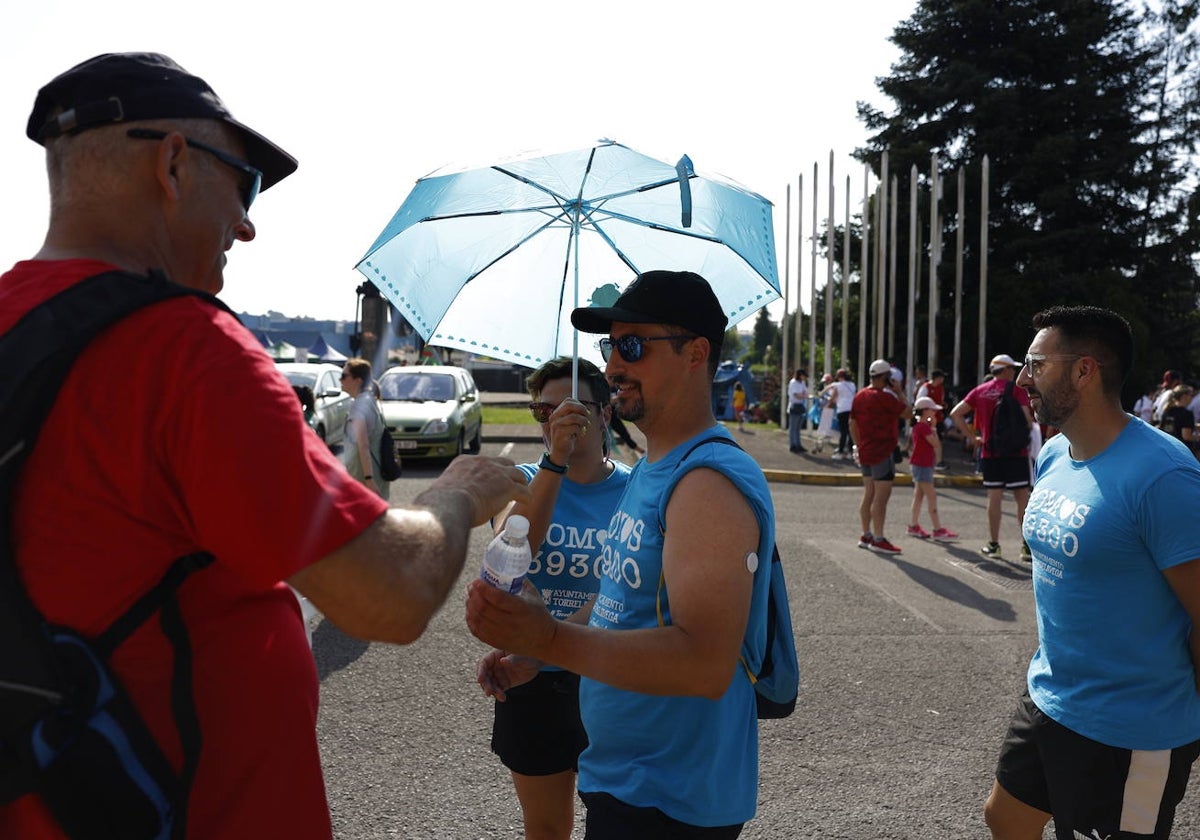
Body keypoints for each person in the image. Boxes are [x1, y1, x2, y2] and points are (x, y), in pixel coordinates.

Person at [0, 52, 530, 839]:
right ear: (173, 163)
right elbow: (388, 592)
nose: (246, 227)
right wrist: (460, 492)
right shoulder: (182, 349)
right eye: (243, 185)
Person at [467, 270, 776, 839]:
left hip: (670, 797)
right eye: (610, 347)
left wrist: (548, 639)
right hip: (625, 779)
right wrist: (537, 657)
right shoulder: (656, 469)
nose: (611, 367)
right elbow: (616, 606)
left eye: (633, 346)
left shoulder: (707, 480)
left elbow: (706, 664)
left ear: (696, 354)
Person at [984, 305, 1200, 840]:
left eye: (1036, 364)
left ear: (1085, 370)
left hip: (1133, 725)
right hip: (1052, 695)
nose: (1022, 380)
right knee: (1006, 818)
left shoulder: (1164, 476)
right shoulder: (1056, 453)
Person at [477, 357, 632, 840]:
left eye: (574, 407)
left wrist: (545, 642)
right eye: (545, 411)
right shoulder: (523, 478)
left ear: (605, 414)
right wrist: (554, 465)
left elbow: (628, 589)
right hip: (535, 684)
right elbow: (510, 554)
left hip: (611, 675)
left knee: (619, 825)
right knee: (546, 829)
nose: (558, 420)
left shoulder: (638, 489)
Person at [949, 354, 1035, 561]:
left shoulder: (981, 390)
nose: (1014, 372)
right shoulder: (1016, 390)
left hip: (990, 451)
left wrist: (972, 438)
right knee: (1021, 497)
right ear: (1004, 370)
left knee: (994, 496)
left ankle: (994, 544)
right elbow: (1028, 421)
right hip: (1016, 452)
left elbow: (955, 413)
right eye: (1012, 369)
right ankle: (1026, 547)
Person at [849, 359, 912, 554]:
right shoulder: (886, 398)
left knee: (868, 493)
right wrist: (900, 391)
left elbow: (852, 423)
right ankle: (878, 537)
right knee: (881, 497)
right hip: (882, 451)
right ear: (887, 378)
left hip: (865, 450)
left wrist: (858, 445)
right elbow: (909, 413)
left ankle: (866, 534)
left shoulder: (860, 396)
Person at [906, 396, 958, 541]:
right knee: (931, 496)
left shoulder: (918, 426)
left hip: (920, 464)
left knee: (919, 497)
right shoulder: (923, 427)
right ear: (925, 411)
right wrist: (934, 427)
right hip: (922, 465)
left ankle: (913, 525)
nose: (935, 412)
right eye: (932, 410)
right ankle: (937, 529)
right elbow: (935, 443)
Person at [340, 357, 388, 499]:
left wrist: (369, 479)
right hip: (376, 473)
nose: (340, 380)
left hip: (362, 478)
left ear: (358, 380)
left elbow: (363, 445)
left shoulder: (358, 407)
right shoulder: (370, 400)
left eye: (344, 376)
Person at [821, 369, 857, 459]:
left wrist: (822, 395)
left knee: (843, 431)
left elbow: (830, 393)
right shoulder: (852, 385)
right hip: (852, 409)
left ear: (840, 377)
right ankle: (850, 452)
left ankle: (840, 452)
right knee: (850, 431)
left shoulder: (838, 385)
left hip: (842, 409)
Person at [1159, 384, 1197, 454]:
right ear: (1184, 396)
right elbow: (1186, 436)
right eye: (1191, 395)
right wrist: (1197, 437)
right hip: (1183, 452)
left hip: (1169, 449)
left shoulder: (1168, 411)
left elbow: (1169, 430)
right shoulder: (1187, 414)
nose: (1192, 398)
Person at [787, 368, 809, 453]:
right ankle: (793, 445)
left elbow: (805, 393)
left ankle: (798, 444)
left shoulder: (802, 383)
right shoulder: (793, 382)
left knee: (798, 428)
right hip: (794, 405)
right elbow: (796, 395)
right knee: (793, 427)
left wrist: (803, 395)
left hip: (801, 405)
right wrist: (803, 395)